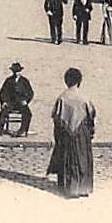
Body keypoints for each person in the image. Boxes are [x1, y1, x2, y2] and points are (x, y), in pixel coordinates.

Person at [47, 68, 96, 198]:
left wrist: (58, 134)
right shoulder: (84, 97)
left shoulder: (62, 97)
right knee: (82, 159)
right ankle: (83, 187)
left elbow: (57, 118)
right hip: (81, 132)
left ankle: (68, 187)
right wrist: (90, 131)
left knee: (67, 159)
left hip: (66, 133)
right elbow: (91, 115)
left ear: (66, 81)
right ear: (79, 81)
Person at [0, 62, 34, 144]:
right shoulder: (9, 80)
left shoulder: (24, 81)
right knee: (3, 113)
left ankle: (22, 130)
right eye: (15, 72)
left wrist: (26, 101)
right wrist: (4, 102)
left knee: (28, 113)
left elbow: (30, 93)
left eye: (18, 71)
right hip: (11, 102)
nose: (17, 73)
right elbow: (2, 93)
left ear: (20, 72)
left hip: (21, 102)